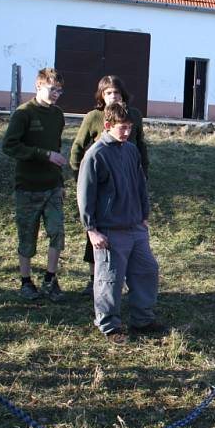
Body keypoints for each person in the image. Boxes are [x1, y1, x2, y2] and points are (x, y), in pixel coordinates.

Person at [77, 102, 161, 343]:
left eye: (129, 127)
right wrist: (91, 230)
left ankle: (143, 318)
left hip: (135, 227)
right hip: (110, 230)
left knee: (146, 271)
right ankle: (109, 325)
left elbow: (140, 184)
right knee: (110, 279)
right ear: (107, 126)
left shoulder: (131, 150)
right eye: (122, 128)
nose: (127, 132)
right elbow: (85, 195)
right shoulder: (95, 155)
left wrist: (144, 214)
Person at [70, 75, 149, 297]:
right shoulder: (93, 118)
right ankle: (95, 278)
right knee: (98, 236)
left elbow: (140, 145)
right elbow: (78, 148)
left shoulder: (133, 117)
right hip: (102, 182)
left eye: (116, 92)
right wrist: (82, 178)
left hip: (128, 179)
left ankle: (122, 279)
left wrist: (142, 177)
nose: (113, 96)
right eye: (108, 93)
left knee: (129, 240)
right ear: (101, 96)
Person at [2, 67, 67, 302]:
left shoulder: (57, 115)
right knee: (27, 236)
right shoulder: (23, 114)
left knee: (57, 232)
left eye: (60, 90)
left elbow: (57, 149)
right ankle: (26, 281)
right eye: (52, 89)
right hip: (28, 186)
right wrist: (43, 155)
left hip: (52, 186)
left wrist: (60, 183)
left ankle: (50, 278)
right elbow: (9, 146)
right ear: (38, 86)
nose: (56, 94)